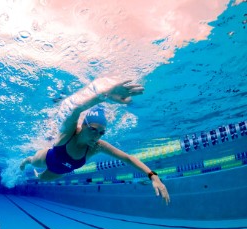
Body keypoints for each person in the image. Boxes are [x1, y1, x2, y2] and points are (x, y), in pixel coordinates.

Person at [20, 78, 170, 204]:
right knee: (33, 161)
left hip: (62, 170)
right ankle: (27, 160)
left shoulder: (96, 147)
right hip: (47, 158)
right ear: (83, 125)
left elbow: (127, 158)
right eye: (93, 129)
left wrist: (153, 176)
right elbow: (76, 109)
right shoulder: (69, 132)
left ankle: (38, 175)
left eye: (101, 133)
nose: (97, 136)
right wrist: (106, 94)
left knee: (42, 178)